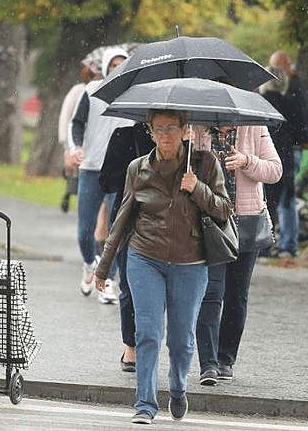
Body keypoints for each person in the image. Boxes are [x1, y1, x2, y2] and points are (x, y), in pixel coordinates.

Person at [94, 109, 231, 424]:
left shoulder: (205, 164)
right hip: (145, 258)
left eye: (172, 128)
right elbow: (122, 219)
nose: (165, 135)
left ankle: (179, 388)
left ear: (185, 130)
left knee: (181, 340)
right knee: (149, 333)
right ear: (151, 132)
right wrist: (103, 267)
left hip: (191, 263)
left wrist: (197, 188)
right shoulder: (137, 169)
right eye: (159, 129)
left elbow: (224, 210)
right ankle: (145, 404)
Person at [193, 123, 281, 385]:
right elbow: (184, 173)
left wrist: (246, 161)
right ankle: (207, 363)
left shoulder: (254, 127)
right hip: (211, 223)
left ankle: (225, 358)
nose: (226, 121)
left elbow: (275, 169)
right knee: (211, 293)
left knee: (237, 296)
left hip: (247, 222)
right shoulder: (197, 129)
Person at [67, 47, 132, 301]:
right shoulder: (92, 90)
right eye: (113, 65)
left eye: (122, 65)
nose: (117, 69)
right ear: (105, 68)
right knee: (85, 229)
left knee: (117, 229)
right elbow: (76, 123)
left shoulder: (134, 95)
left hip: (120, 172)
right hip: (91, 168)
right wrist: (76, 148)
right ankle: (89, 263)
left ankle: (108, 281)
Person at [99, 121, 155, 373]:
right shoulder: (124, 136)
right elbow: (106, 180)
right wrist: (136, 173)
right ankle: (131, 346)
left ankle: (151, 344)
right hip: (128, 218)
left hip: (166, 221)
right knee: (130, 286)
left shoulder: (180, 139)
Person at [259, 64, 308, 258]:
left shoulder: (259, 103)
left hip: (262, 156)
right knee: (283, 202)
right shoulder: (289, 104)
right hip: (283, 159)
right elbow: (299, 133)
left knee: (264, 202)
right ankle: (282, 243)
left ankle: (262, 244)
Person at [58, 63, 95, 212]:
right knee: (76, 175)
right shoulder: (78, 91)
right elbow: (66, 116)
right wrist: (67, 143)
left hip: (91, 142)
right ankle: (76, 203)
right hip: (77, 140)